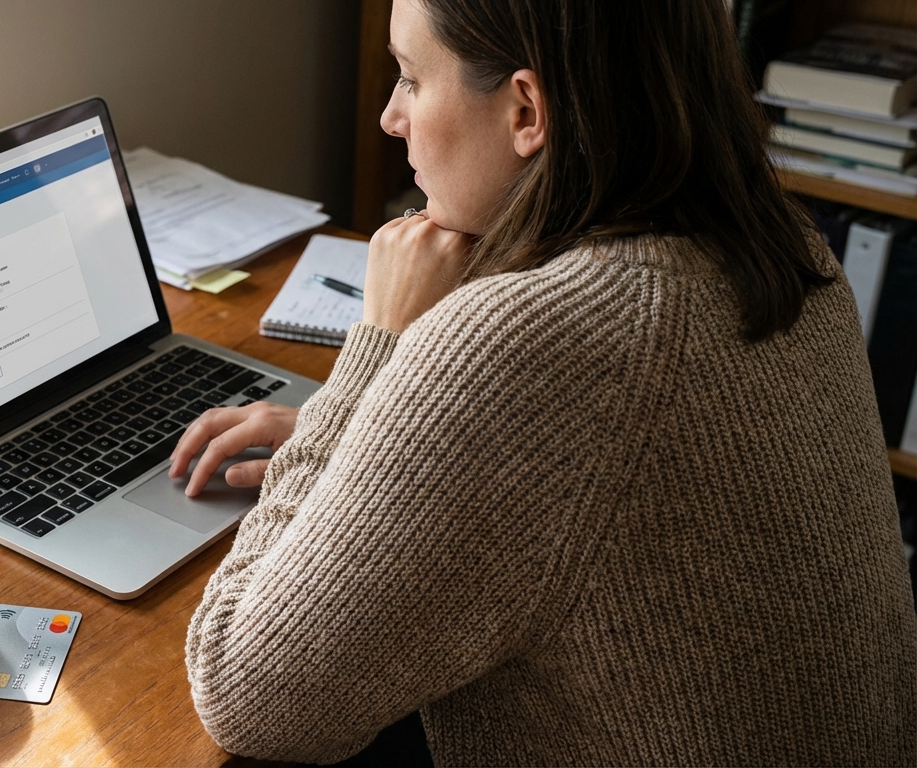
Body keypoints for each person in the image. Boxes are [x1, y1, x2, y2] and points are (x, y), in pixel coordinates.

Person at [172, 0, 917, 764]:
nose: (392, 118)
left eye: (410, 78)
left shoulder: (524, 342)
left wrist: (377, 358)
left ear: (528, 109)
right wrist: (385, 436)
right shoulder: (786, 245)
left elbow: (246, 696)